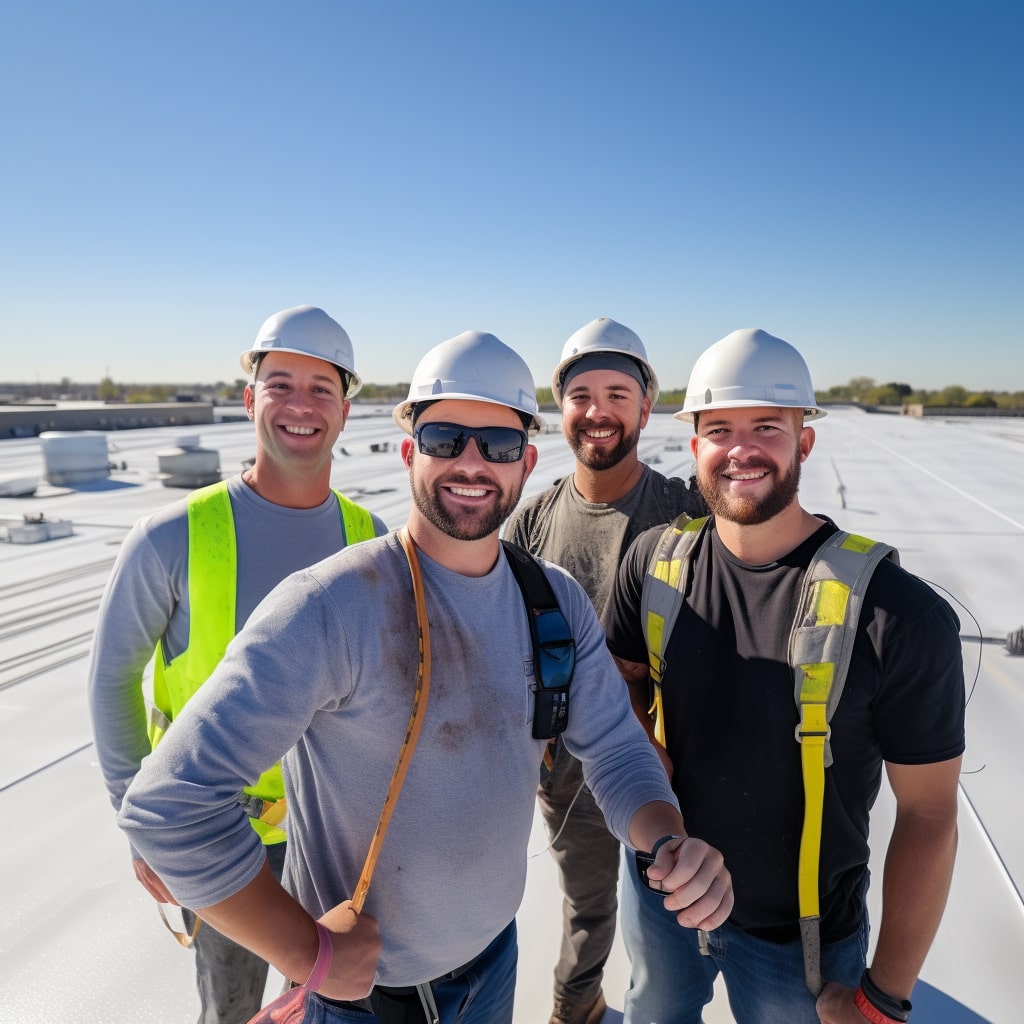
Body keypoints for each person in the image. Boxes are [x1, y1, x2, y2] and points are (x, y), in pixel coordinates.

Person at [115, 329, 734, 1024]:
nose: (471, 463)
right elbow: (168, 807)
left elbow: (617, 750)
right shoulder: (331, 604)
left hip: (493, 966)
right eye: (445, 438)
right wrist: (304, 953)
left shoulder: (551, 601)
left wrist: (667, 839)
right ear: (410, 450)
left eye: (497, 446)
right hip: (365, 1000)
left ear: (526, 463)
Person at [604, 328, 965, 1024]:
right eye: (720, 430)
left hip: (798, 944)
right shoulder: (654, 563)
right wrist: (636, 738)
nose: (741, 450)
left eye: (766, 427)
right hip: (662, 896)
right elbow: (622, 677)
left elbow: (930, 813)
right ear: (695, 445)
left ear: (804, 441)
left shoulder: (899, 616)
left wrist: (882, 998)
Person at [88, 305, 388, 1024]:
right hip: (228, 840)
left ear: (345, 411)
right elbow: (111, 681)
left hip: (341, 839)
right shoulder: (171, 537)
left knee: (340, 1005)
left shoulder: (369, 538)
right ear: (250, 399)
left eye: (322, 388)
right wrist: (144, 824)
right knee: (232, 1011)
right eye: (280, 383)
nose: (300, 406)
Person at [505, 316, 706, 1024]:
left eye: (618, 393)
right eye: (581, 393)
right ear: (560, 409)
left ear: (646, 407)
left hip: (677, 774)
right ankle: (576, 1005)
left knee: (679, 917)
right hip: (567, 774)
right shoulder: (530, 523)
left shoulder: (689, 513)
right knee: (587, 907)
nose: (598, 411)